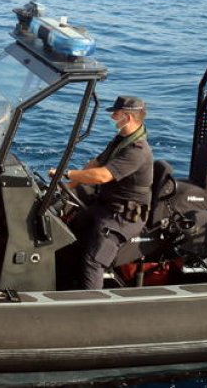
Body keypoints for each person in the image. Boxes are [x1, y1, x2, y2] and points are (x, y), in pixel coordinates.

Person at [53, 95, 154, 289]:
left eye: (116, 114)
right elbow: (96, 163)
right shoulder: (120, 141)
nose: (113, 117)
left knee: (93, 259)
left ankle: (90, 307)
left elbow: (102, 176)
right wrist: (67, 186)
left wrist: (66, 174)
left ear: (128, 117)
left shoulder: (137, 151)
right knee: (71, 232)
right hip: (107, 205)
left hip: (123, 217)